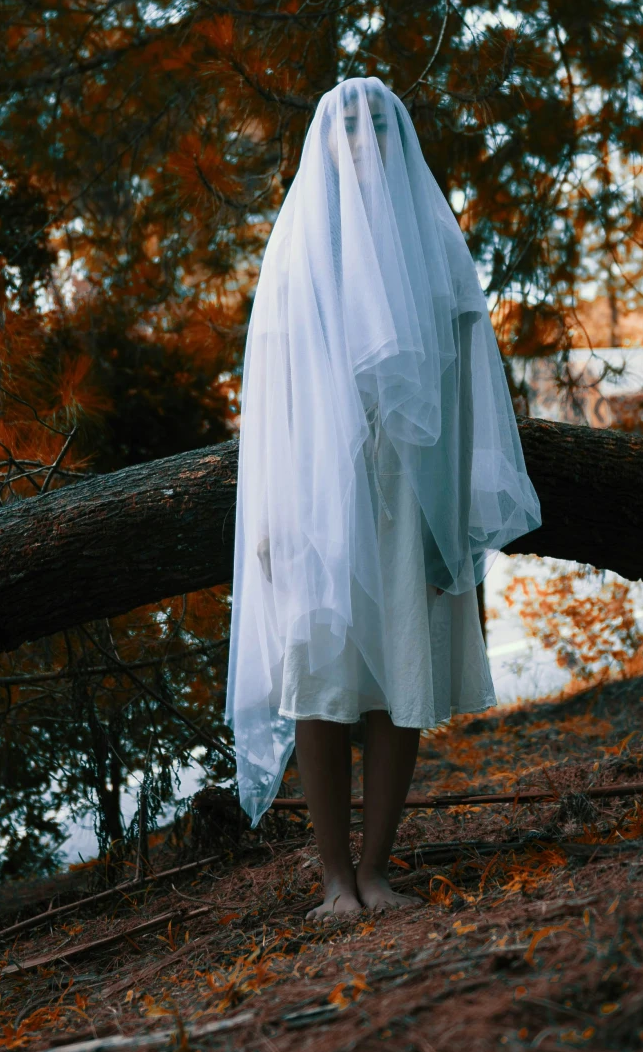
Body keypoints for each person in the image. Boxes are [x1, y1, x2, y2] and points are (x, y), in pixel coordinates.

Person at [226, 76, 541, 919]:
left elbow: (468, 398)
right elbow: (272, 406)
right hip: (314, 510)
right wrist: (268, 522)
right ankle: (331, 880)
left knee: (402, 676)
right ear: (325, 145)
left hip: (411, 501)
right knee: (321, 687)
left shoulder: (436, 256)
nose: (363, 143)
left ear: (398, 141)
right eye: (348, 129)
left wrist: (458, 525)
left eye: (377, 128)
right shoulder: (297, 262)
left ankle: (375, 869)